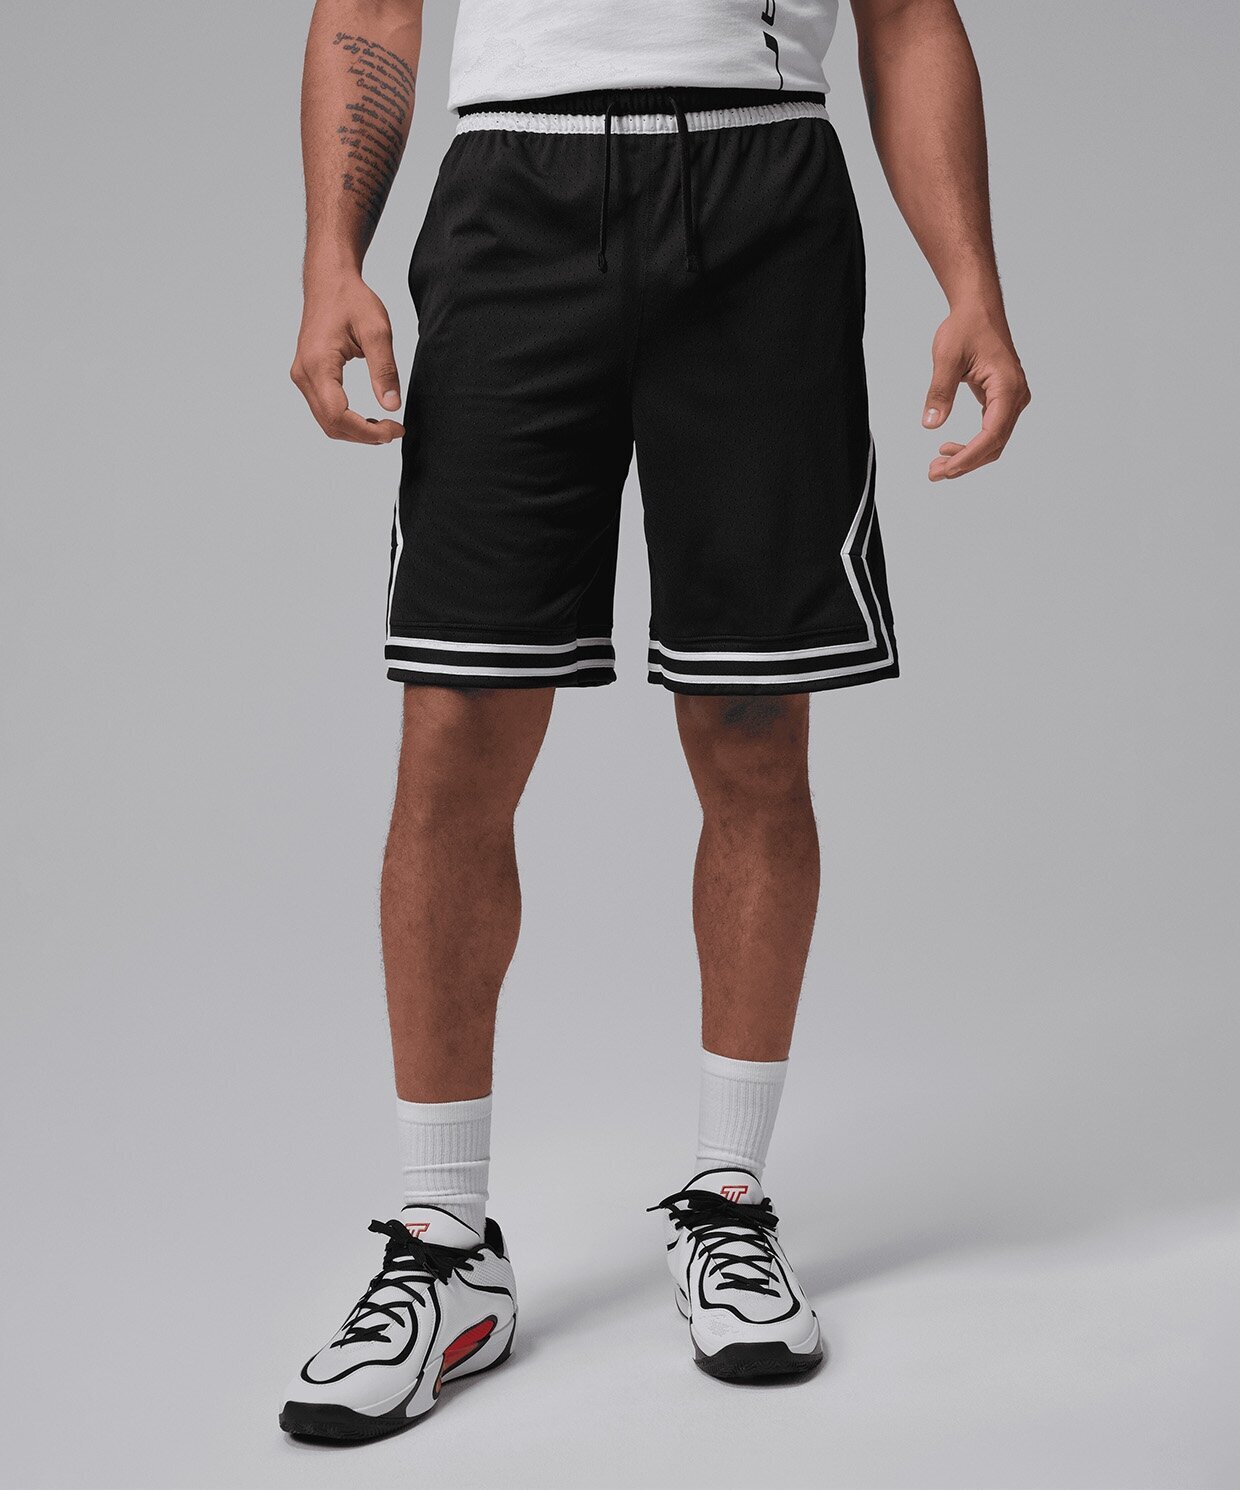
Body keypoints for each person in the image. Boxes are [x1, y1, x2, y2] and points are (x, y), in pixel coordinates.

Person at [280, 0, 1030, 1439]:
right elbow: (367, 10)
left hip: (762, 193)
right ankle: (444, 1243)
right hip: (514, 190)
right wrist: (330, 257)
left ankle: (728, 1200)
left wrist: (972, 281)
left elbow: (907, 17)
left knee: (751, 728)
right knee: (455, 728)